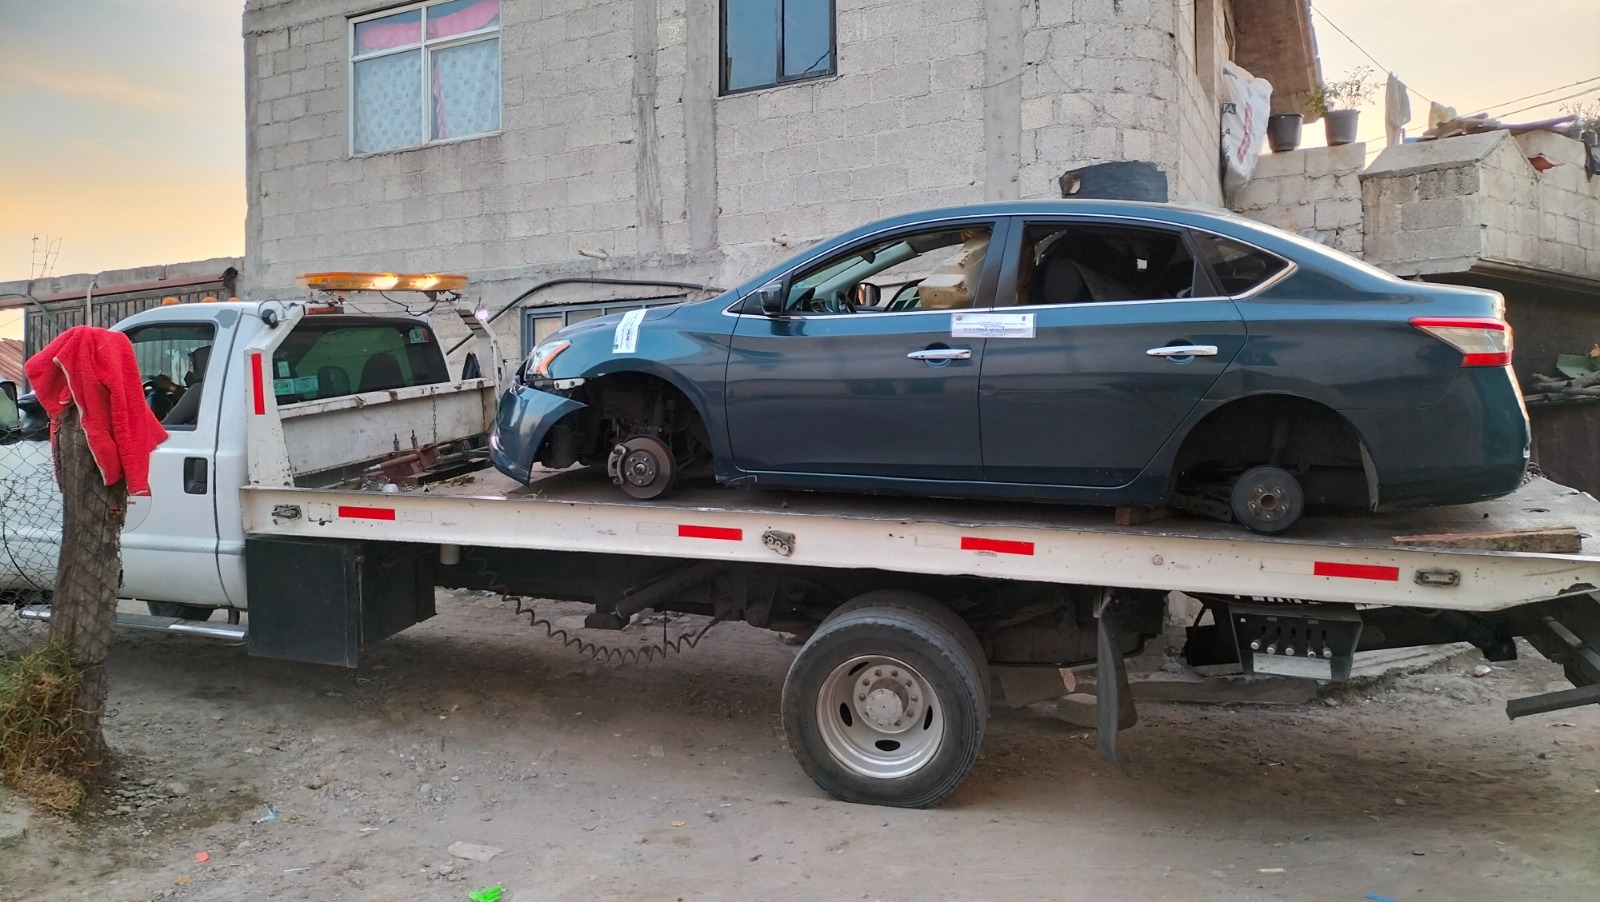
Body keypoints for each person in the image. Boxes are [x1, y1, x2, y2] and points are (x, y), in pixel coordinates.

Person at [163, 345, 210, 427]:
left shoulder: (199, 389)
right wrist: (172, 387)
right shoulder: (216, 389)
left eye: (192, 365)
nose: (189, 370)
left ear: (202, 364)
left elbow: (168, 423)